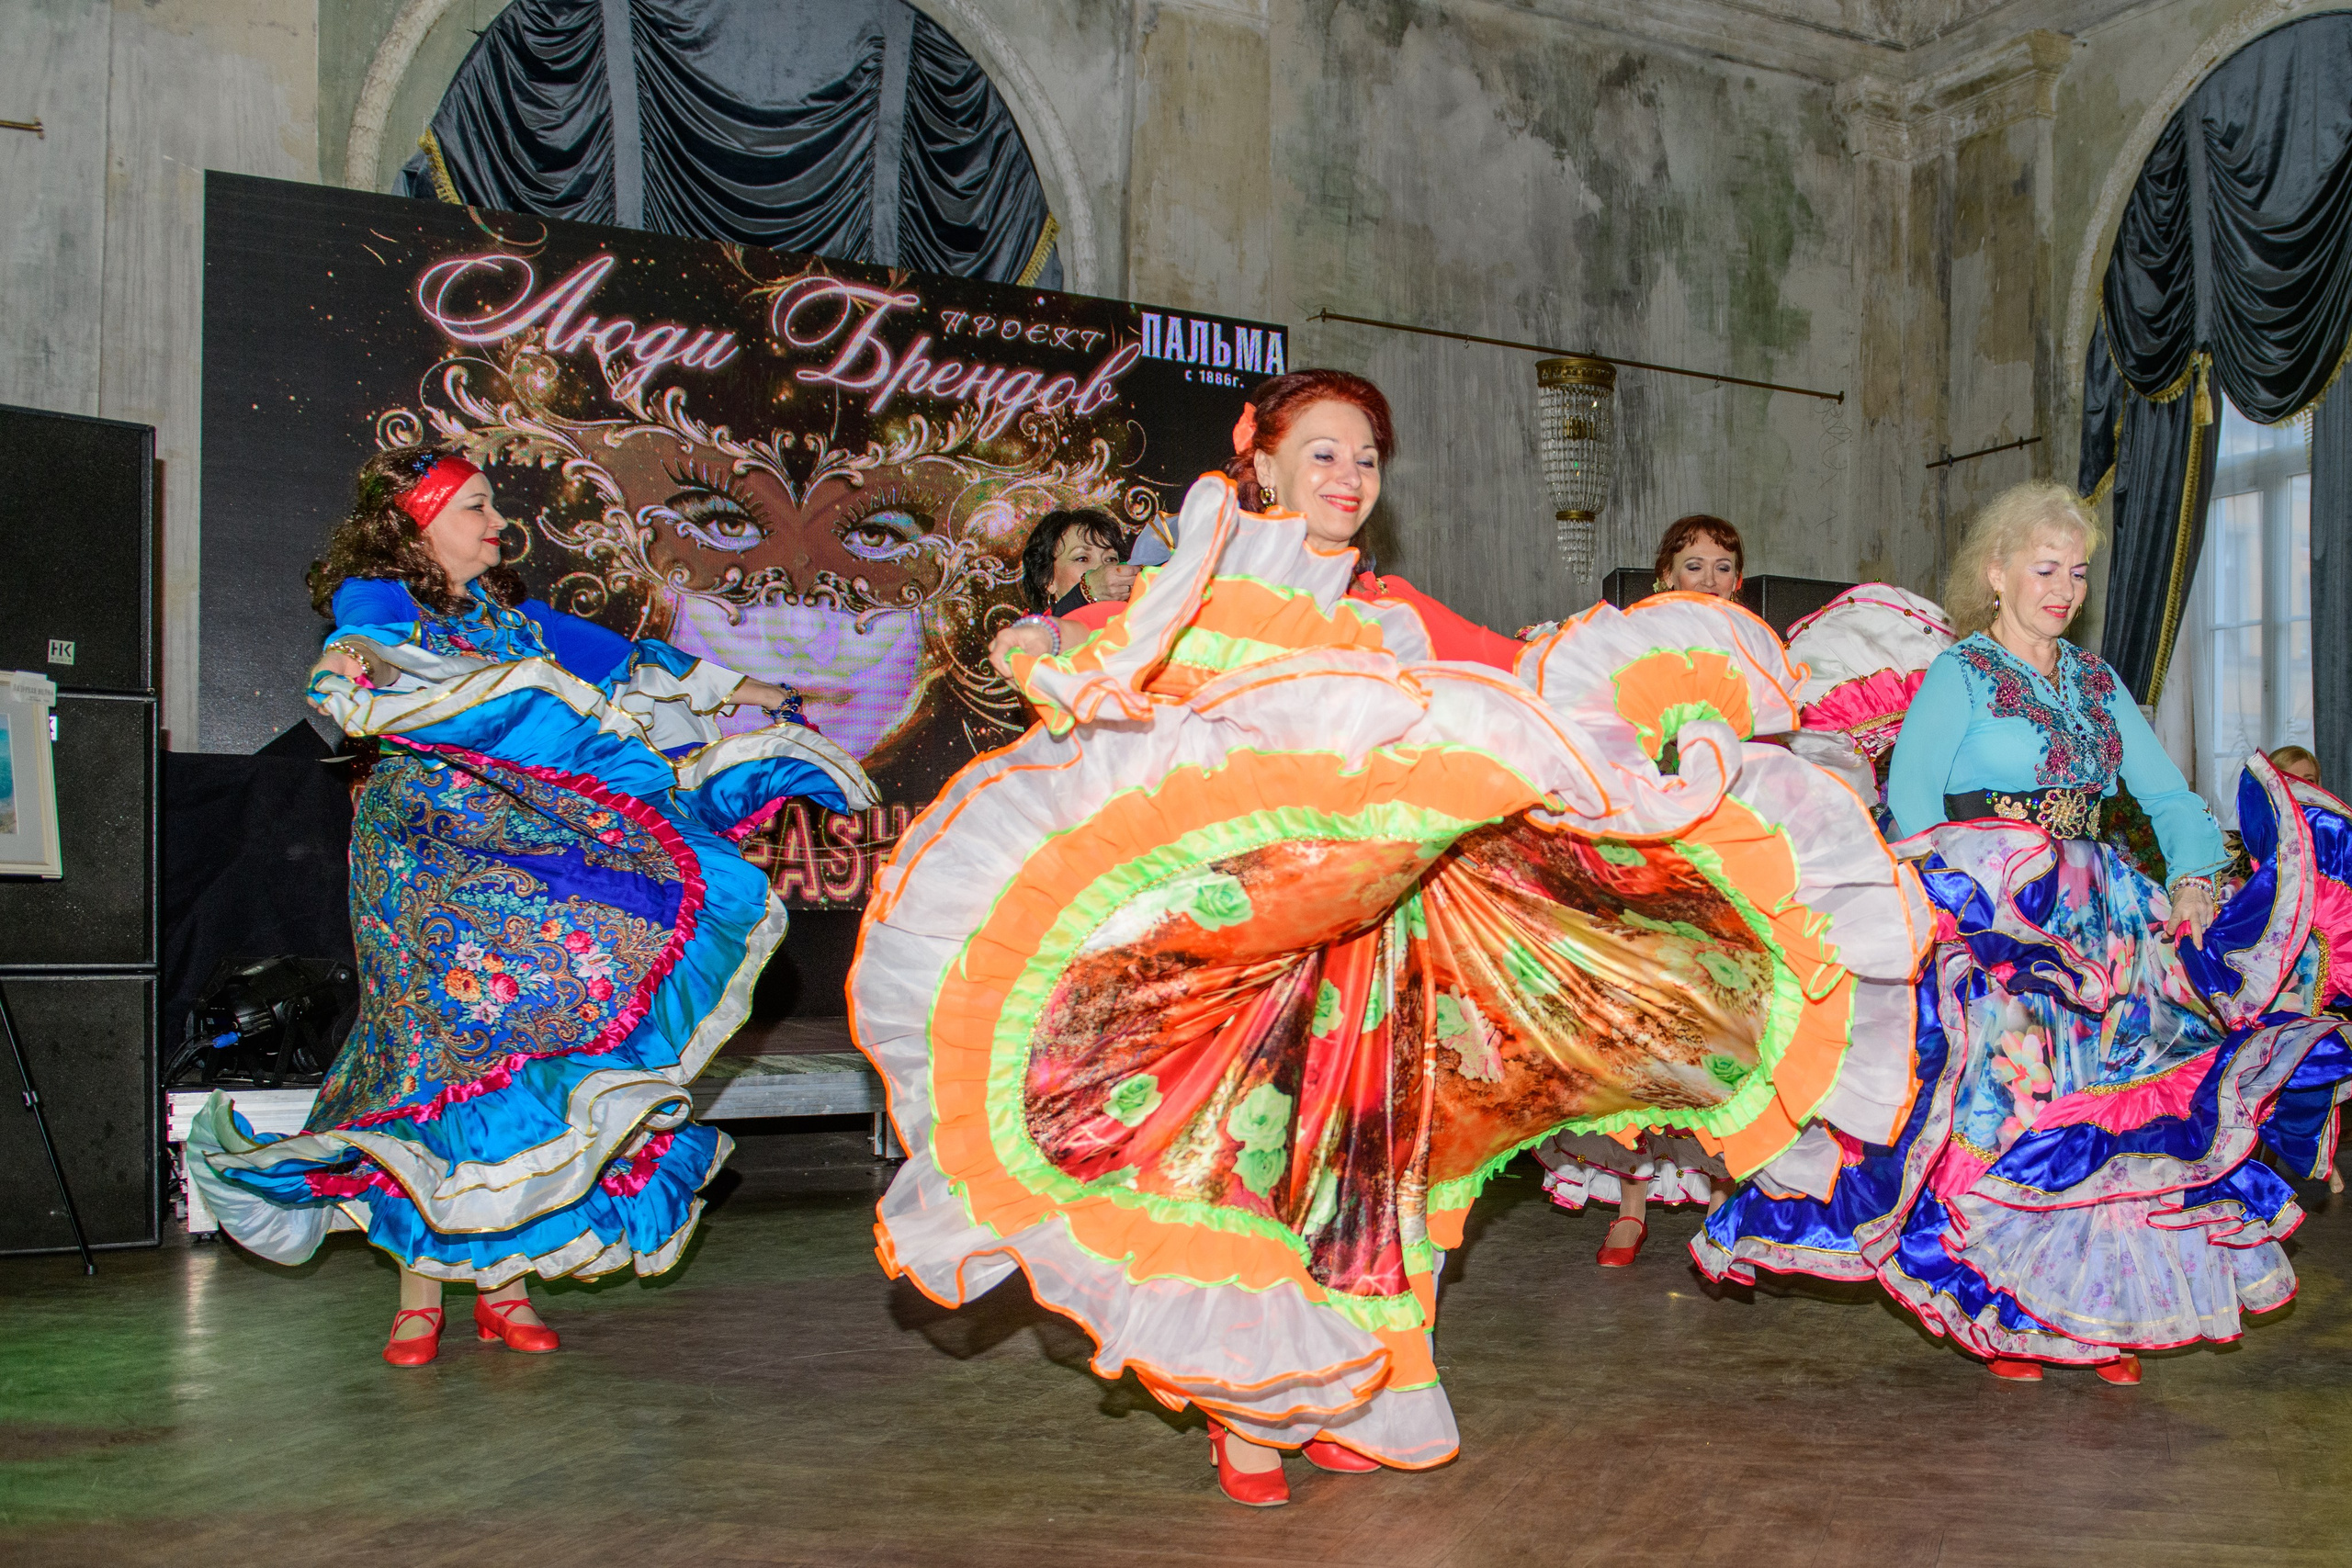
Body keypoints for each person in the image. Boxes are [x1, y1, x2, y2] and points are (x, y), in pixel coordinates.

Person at [854, 369, 1928, 1505]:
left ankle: (1354, 1392)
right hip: (1227, 977)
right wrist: (1052, 650)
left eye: (1365, 459)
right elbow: (1078, 644)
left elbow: (1528, 671)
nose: (1348, 477)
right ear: (1259, 461)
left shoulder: (1392, 617)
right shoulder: (1199, 591)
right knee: (1236, 1176)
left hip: (1371, 972)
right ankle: (1250, 1412)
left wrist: (1665, 704)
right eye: (1322, 452)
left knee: (1362, 1187)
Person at [186, 445, 874, 1366]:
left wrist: (770, 692)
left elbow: (637, 667)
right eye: (473, 506)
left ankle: (503, 1285)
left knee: (517, 1053)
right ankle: (418, 1295)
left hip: (521, 859)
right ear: (418, 525)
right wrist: (346, 666)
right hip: (421, 865)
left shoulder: (517, 621)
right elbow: (361, 641)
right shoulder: (388, 599)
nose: (495, 522)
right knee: (426, 1062)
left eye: (491, 505)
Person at [1695, 481, 2352, 1383]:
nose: (2064, 588)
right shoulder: (1959, 674)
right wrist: (1965, 912)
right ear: (1996, 573)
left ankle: (2096, 1307)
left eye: (2076, 572)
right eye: (2045, 568)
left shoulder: (2096, 680)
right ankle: (2002, 1307)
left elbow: (2164, 794)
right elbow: (1915, 805)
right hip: (1994, 919)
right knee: (2004, 1116)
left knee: (2106, 1119)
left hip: (2106, 925)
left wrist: (2195, 877)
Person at [1531, 513, 1751, 1263]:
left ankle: (1725, 1207)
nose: (1712, 579)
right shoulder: (1627, 650)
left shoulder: (1756, 662)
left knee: (1731, 1035)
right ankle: (1630, 1204)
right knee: (1641, 1031)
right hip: (1647, 858)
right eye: (1695, 565)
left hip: (1728, 864)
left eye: (1725, 566)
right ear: (1664, 579)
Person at [1019, 507, 1138, 617]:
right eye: (1082, 559)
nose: (1101, 568)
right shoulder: (1038, 634)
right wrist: (1086, 592)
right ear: (1047, 580)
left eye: (1110, 559)